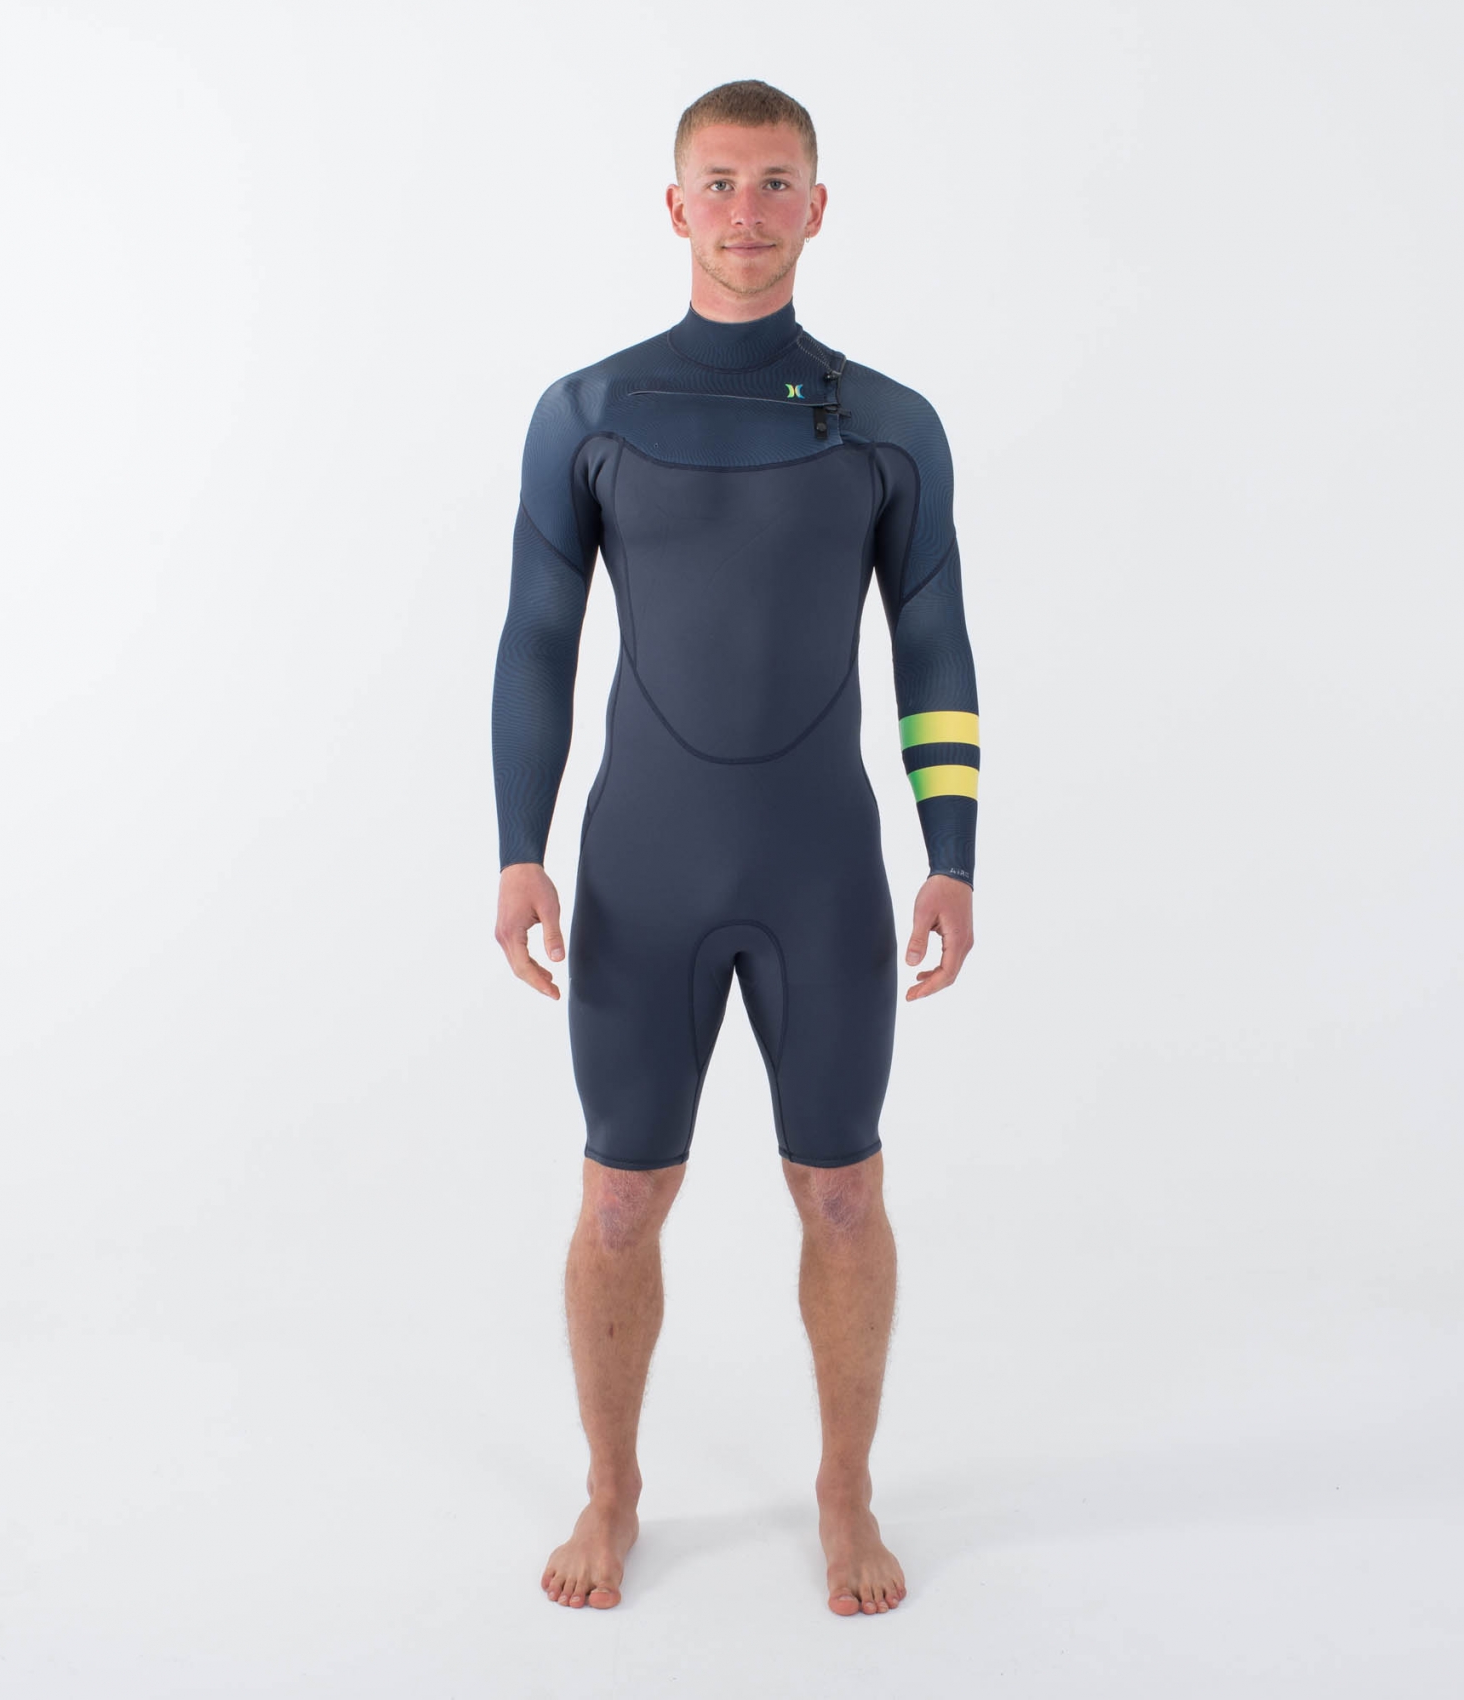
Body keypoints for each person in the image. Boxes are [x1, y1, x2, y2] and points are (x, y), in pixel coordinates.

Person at [491, 78, 980, 1617]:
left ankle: (845, 1492)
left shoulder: (890, 423)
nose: (748, 211)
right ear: (675, 204)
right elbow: (537, 638)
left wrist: (953, 852)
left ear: (817, 208)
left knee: (842, 1194)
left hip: (820, 870)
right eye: (720, 181)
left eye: (777, 183)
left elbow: (933, 645)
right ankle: (611, 1490)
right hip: (643, 869)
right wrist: (518, 847)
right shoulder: (590, 412)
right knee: (618, 1202)